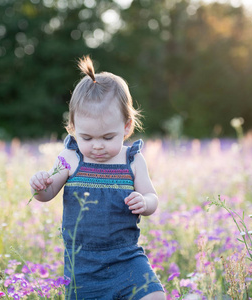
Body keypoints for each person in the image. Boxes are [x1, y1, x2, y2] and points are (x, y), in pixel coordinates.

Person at [29, 56, 165, 300]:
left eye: (108, 137)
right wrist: (40, 186)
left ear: (126, 126)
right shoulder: (70, 158)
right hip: (83, 263)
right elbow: (47, 194)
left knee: (154, 296)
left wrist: (144, 203)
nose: (98, 146)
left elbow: (152, 198)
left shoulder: (132, 160)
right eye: (88, 138)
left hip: (126, 257)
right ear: (73, 127)